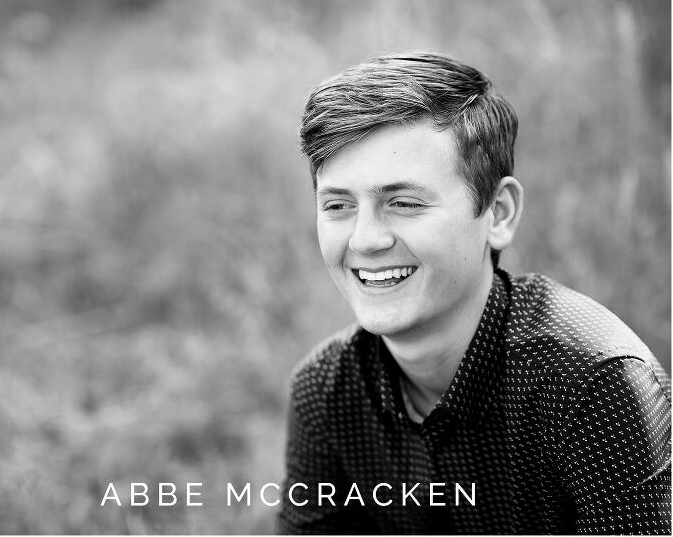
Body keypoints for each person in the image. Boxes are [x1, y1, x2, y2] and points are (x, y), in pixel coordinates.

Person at [276, 52, 671, 534]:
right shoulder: (325, 391)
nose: (364, 239)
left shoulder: (595, 387)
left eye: (403, 203)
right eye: (338, 205)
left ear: (499, 213)